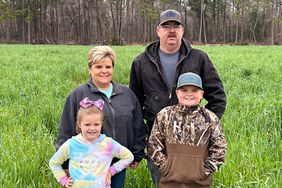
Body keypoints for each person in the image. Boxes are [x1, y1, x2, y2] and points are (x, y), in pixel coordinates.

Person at [129, 9, 226, 187]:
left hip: (195, 148)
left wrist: (202, 126)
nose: (171, 30)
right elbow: (134, 106)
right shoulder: (141, 62)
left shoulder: (199, 58)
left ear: (182, 30)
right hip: (160, 145)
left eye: (176, 25)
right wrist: (142, 139)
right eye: (166, 26)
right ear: (158, 30)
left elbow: (218, 97)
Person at [56, 45, 146, 188]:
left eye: (108, 67)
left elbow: (138, 125)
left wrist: (137, 153)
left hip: (117, 162)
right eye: (98, 67)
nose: (104, 71)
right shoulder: (77, 95)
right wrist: (65, 164)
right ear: (90, 68)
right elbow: (65, 129)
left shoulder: (127, 94)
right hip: (85, 165)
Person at [148, 72, 227, 188]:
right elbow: (154, 145)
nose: (189, 94)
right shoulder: (164, 115)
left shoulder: (210, 118)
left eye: (194, 90)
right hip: (169, 183)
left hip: (200, 183)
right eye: (184, 90)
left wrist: (203, 171)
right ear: (177, 93)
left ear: (201, 94)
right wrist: (166, 168)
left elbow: (220, 149)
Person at [50, 97, 134, 188]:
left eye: (96, 124)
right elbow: (54, 163)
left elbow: (129, 156)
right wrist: (63, 179)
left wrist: (110, 171)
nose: (92, 128)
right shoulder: (71, 144)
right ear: (79, 124)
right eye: (87, 124)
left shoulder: (108, 144)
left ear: (101, 124)